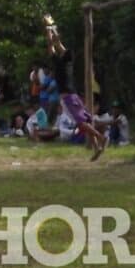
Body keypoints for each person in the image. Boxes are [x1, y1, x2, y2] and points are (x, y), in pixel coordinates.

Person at [44, 16, 106, 160]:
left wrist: (50, 30)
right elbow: (56, 45)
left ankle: (100, 137)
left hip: (67, 97)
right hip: (73, 95)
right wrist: (51, 29)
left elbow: (53, 45)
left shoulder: (58, 64)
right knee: (86, 121)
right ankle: (97, 147)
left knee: (81, 123)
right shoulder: (68, 63)